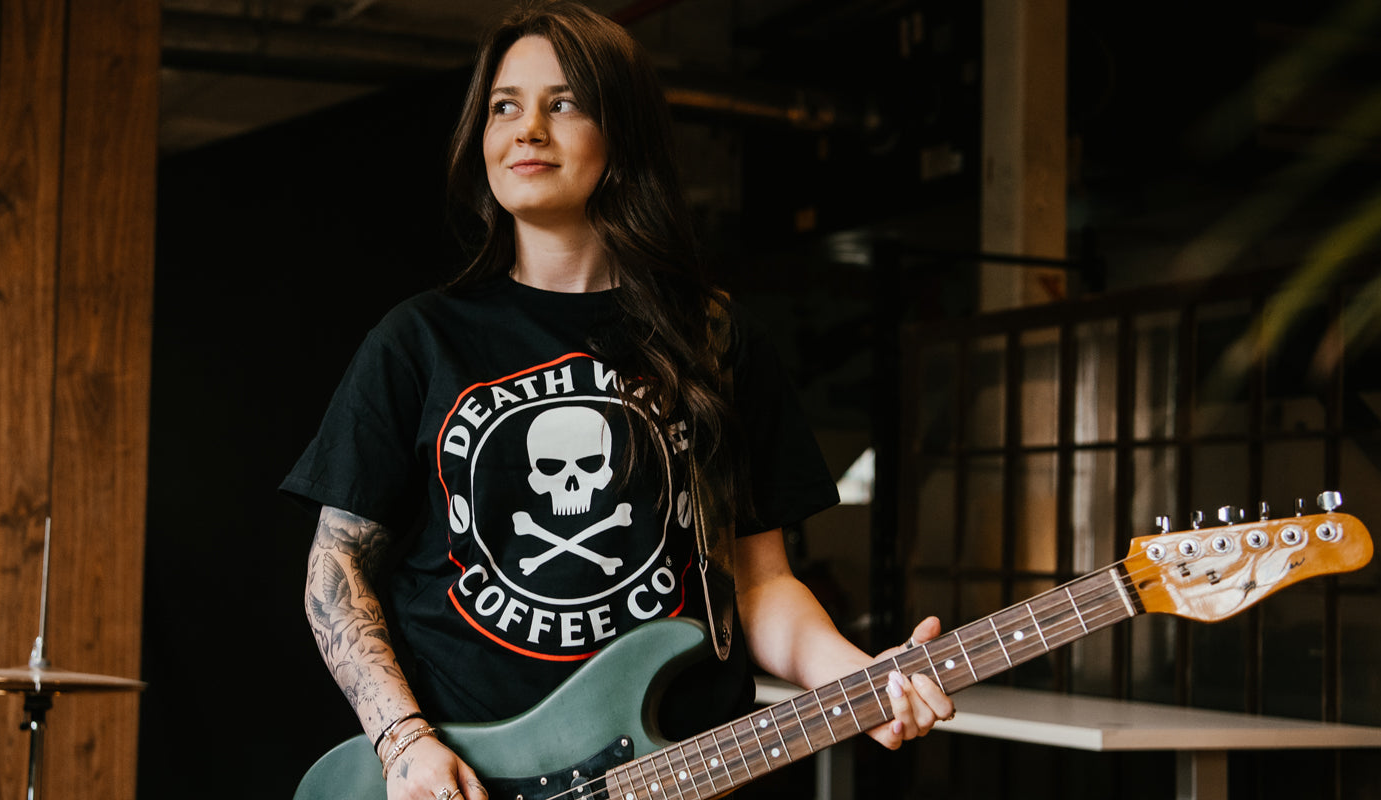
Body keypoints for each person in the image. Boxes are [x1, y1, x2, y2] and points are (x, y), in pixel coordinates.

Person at [285, 3, 954, 799]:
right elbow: (337, 569)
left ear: (623, 134)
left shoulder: (713, 338)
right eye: (505, 106)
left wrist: (853, 672)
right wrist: (404, 743)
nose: (527, 129)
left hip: (677, 770)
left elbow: (759, 582)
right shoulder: (420, 340)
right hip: (472, 781)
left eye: (562, 103)